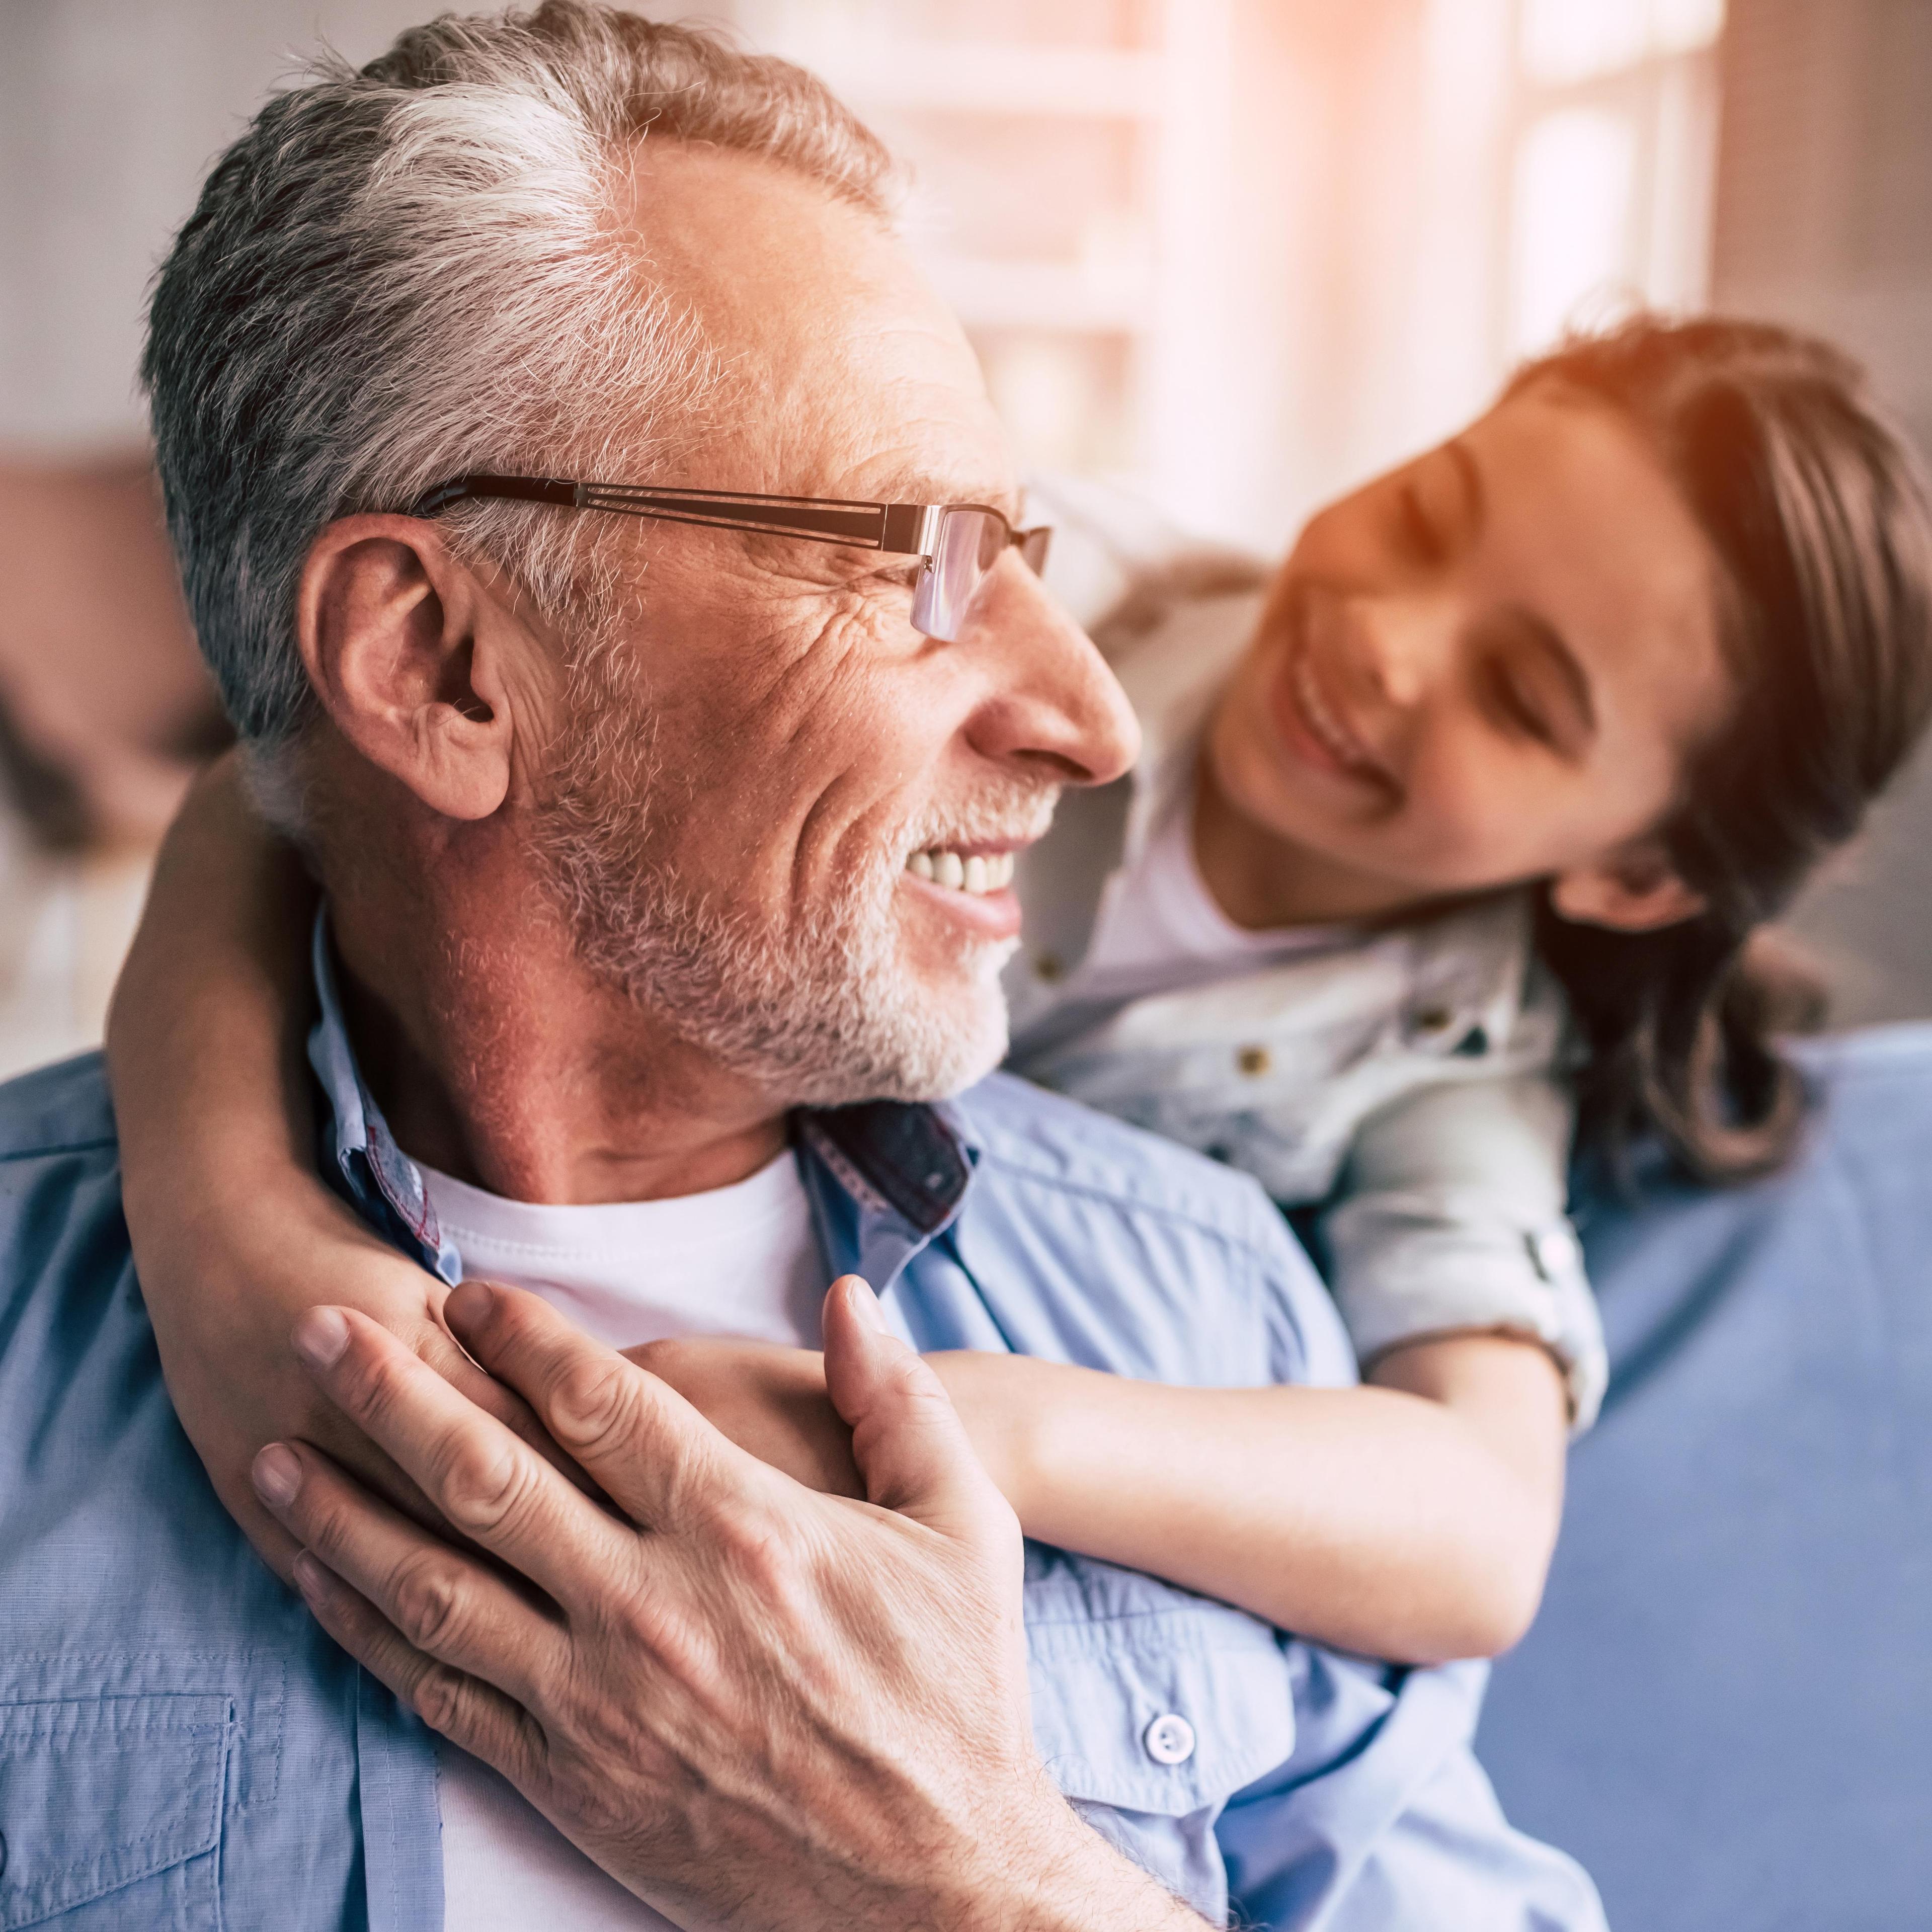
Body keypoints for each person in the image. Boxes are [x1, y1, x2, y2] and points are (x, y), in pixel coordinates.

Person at [0, 7, 1603, 1929]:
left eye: (1023, 546)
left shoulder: (1217, 1317)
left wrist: (959, 1879)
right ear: (437, 667)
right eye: (916, 554)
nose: (1096, 724)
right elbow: (247, 819)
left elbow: (1483, 1531)